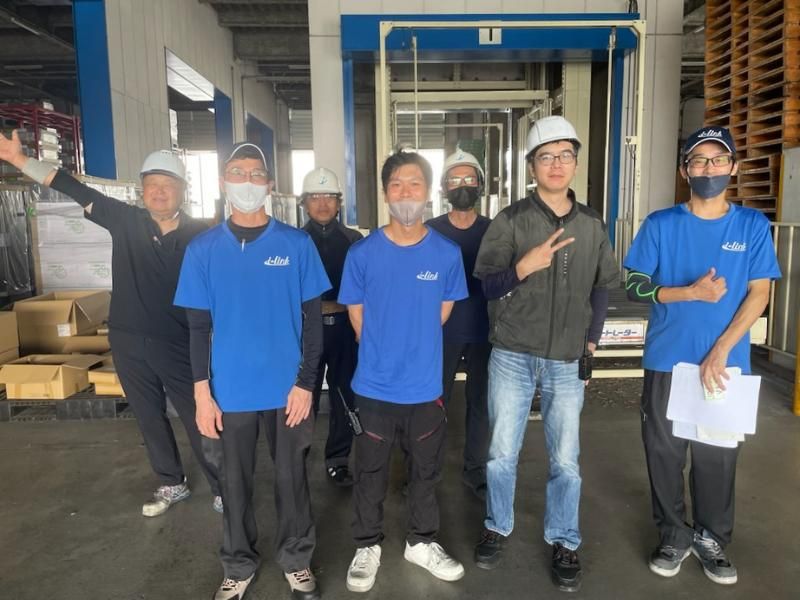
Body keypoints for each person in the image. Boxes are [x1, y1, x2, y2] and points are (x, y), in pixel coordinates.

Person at [0, 130, 221, 517]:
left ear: (183, 190)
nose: (159, 192)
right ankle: (172, 481)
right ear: (142, 190)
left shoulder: (202, 234)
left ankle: (223, 487)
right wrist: (20, 161)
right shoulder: (125, 220)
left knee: (198, 415)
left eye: (167, 184)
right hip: (128, 339)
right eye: (152, 184)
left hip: (179, 341)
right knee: (148, 415)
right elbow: (70, 185)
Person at [623, 126, 781, 586]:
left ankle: (711, 538)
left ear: (733, 167)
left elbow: (760, 292)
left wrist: (721, 350)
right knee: (664, 453)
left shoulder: (751, 226)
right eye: (698, 161)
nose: (708, 169)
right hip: (667, 360)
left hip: (725, 367)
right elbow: (634, 284)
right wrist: (688, 292)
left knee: (717, 457)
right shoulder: (660, 225)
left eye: (718, 160)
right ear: (684, 171)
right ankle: (673, 534)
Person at [174, 142, 330, 600]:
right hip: (229, 391)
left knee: (292, 479)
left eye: (255, 173)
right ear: (224, 182)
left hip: (287, 391)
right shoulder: (203, 250)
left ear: (270, 185)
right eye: (237, 173)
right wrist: (202, 394)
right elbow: (197, 328)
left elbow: (313, 322)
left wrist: (306, 384)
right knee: (234, 484)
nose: (246, 182)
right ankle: (238, 564)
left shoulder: (296, 245)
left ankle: (296, 560)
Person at [472, 116, 619, 592]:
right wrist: (524, 266)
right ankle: (497, 526)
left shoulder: (592, 224)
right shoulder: (511, 220)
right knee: (501, 452)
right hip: (513, 354)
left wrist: (591, 342)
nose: (556, 164)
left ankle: (564, 539)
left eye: (565, 155)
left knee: (566, 459)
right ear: (531, 165)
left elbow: (602, 288)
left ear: (575, 163)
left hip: (567, 357)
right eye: (546, 156)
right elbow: (487, 286)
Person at [339, 151, 468, 593]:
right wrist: (385, 350)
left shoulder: (446, 254)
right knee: (369, 472)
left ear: (428, 193)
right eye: (397, 184)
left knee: (426, 472)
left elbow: (442, 312)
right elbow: (357, 315)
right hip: (374, 387)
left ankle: (421, 542)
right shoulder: (362, 253)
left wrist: (412, 346)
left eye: (414, 184)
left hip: (425, 387)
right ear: (385, 193)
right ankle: (367, 545)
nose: (406, 193)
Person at [426, 148, 491, 500]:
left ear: (480, 184)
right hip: (441, 332)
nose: (462, 185)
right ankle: (427, 469)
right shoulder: (429, 232)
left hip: (486, 331)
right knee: (433, 403)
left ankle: (475, 470)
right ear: (444, 187)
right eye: (455, 179)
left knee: (481, 403)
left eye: (469, 178)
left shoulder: (495, 231)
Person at [301, 167, 363, 487]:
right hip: (305, 330)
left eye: (329, 197)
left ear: (339, 202)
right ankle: (296, 455)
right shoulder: (294, 242)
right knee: (302, 394)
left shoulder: (354, 241)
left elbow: (366, 288)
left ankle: (338, 459)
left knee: (343, 394)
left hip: (345, 328)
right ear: (304, 203)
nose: (323, 203)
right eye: (315, 197)